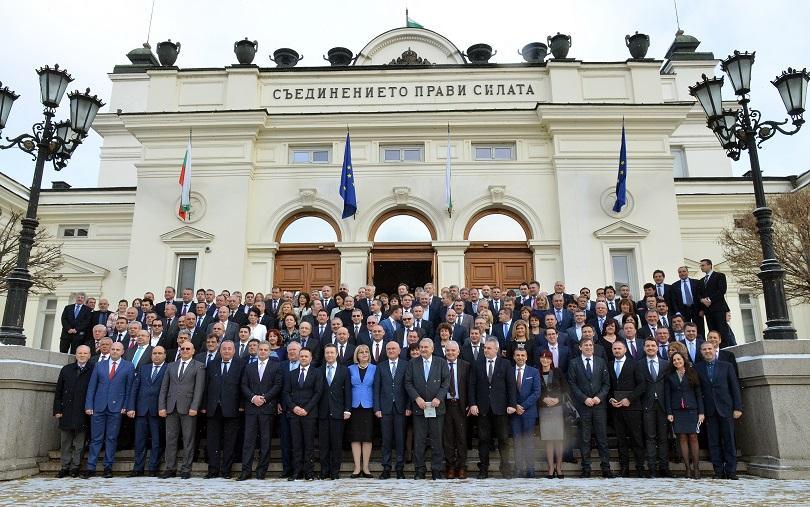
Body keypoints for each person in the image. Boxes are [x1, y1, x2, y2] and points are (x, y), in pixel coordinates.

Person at [82, 342, 134, 478]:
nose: (115, 351)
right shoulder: (99, 365)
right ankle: (91, 467)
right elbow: (92, 387)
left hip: (116, 408)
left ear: (123, 352)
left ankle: (108, 467)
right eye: (113, 349)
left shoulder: (128, 366)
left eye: (118, 350)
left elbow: (129, 389)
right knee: (96, 438)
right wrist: (89, 405)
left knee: (111, 438)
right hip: (98, 406)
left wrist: (126, 405)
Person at [469, 338, 518, 479]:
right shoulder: (477, 364)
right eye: (485, 348)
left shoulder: (505, 363)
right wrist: (472, 404)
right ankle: (483, 469)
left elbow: (511, 386)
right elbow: (472, 386)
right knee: (483, 440)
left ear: (496, 349)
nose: (486, 350)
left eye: (489, 348)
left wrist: (512, 404)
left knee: (503, 439)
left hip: (501, 408)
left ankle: (506, 469)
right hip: (483, 408)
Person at [404, 338, 451, 480]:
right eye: (421, 347)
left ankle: (436, 470)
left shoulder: (441, 362)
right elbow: (408, 382)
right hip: (419, 408)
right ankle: (420, 470)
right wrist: (416, 398)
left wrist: (439, 397)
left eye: (426, 347)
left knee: (437, 440)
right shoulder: (412, 363)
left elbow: (446, 382)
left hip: (437, 408)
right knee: (419, 441)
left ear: (432, 349)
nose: (423, 349)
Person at [158, 341, 206, 479]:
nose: (184, 350)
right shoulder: (171, 366)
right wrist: (162, 406)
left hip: (188, 408)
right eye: (182, 348)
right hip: (171, 407)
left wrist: (194, 406)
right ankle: (170, 468)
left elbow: (199, 389)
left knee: (188, 439)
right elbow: (164, 388)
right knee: (170, 439)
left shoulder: (199, 366)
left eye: (187, 348)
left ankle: (186, 469)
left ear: (193, 351)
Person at [696, 341, 742, 480]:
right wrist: (701, 411)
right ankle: (718, 471)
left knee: (729, 440)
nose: (707, 351)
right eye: (704, 349)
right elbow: (698, 391)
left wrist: (738, 407)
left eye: (709, 348)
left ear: (715, 349)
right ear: (701, 352)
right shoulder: (697, 368)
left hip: (726, 409)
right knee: (713, 442)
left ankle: (731, 470)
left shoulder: (726, 366)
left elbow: (734, 387)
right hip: (709, 411)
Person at [567, 336, 613, 478]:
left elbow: (606, 384)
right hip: (583, 405)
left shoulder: (601, 362)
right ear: (580, 347)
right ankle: (586, 468)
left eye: (590, 345)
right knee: (585, 438)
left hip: (599, 405)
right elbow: (572, 384)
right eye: (585, 345)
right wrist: (584, 398)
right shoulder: (574, 363)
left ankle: (606, 467)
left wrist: (599, 397)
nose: (588, 347)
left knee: (602, 437)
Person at [239, 341, 282, 481]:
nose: (262, 352)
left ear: (269, 351)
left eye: (265, 349)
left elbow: (277, 385)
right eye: (260, 349)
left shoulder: (276, 366)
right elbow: (243, 385)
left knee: (265, 441)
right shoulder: (249, 367)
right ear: (257, 351)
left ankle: (261, 471)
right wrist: (253, 398)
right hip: (251, 408)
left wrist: (264, 398)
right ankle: (246, 471)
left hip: (267, 408)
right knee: (248, 441)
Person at [204, 340, 245, 479]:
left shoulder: (241, 364)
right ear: (220, 351)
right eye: (224, 349)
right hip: (213, 409)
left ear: (234, 351)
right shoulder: (212, 364)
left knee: (230, 441)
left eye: (229, 349)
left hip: (232, 409)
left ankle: (226, 471)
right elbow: (206, 386)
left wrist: (241, 405)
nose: (226, 351)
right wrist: (204, 406)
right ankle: (213, 470)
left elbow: (242, 386)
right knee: (212, 441)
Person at [126, 345, 167, 477]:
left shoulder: (168, 369)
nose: (156, 355)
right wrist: (131, 407)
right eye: (154, 353)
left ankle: (153, 468)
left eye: (160, 353)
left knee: (156, 441)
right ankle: (138, 468)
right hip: (141, 410)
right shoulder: (144, 368)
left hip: (157, 411)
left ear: (165, 355)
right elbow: (135, 389)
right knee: (139, 441)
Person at [53, 345, 94, 478]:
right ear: (75, 355)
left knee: (79, 442)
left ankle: (75, 467)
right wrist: (57, 409)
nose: (82, 355)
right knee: (65, 441)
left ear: (89, 355)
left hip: (83, 411)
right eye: (79, 353)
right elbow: (58, 391)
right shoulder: (67, 369)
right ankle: (64, 466)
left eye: (85, 353)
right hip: (66, 410)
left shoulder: (93, 369)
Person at [608, 341, 646, 477]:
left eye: (619, 348)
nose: (617, 350)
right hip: (616, 408)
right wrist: (611, 398)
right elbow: (609, 385)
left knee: (636, 438)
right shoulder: (610, 364)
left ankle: (640, 467)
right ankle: (624, 468)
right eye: (615, 348)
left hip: (633, 407)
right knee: (621, 439)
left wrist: (629, 399)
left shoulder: (635, 364)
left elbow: (642, 385)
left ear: (625, 349)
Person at [284, 348, 323, 481]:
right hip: (294, 413)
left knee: (309, 444)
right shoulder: (291, 374)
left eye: (306, 356)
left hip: (309, 414)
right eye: (302, 356)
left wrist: (306, 409)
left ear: (311, 358)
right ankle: (297, 471)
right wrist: (294, 408)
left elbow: (318, 393)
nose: (304, 358)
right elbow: (286, 393)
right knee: (296, 443)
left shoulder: (317, 373)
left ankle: (309, 472)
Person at [664, 351, 705, 479]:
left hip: (692, 409)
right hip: (677, 411)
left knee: (693, 437)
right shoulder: (670, 376)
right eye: (674, 360)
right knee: (681, 437)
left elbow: (699, 394)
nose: (677, 361)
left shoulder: (692, 373)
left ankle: (696, 468)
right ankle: (687, 468)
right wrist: (669, 412)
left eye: (679, 359)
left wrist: (701, 412)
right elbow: (667, 395)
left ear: (683, 360)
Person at [374, 341, 410, 480]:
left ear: (399, 350)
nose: (391, 350)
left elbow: (408, 387)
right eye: (388, 348)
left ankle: (400, 468)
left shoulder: (406, 365)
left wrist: (408, 406)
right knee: (386, 439)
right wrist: (377, 408)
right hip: (385, 408)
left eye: (393, 348)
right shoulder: (381, 366)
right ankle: (386, 468)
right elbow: (377, 388)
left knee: (400, 439)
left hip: (401, 408)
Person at [318, 343, 351, 480]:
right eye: (327, 353)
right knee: (324, 444)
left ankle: (335, 472)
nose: (330, 355)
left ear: (337, 354)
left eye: (332, 353)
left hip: (338, 412)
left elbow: (348, 391)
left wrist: (347, 409)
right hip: (323, 412)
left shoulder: (344, 370)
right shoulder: (318, 370)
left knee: (336, 443)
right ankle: (324, 471)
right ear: (324, 355)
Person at [641, 337, 671, 477]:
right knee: (650, 437)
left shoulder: (666, 364)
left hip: (663, 405)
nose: (651, 348)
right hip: (647, 405)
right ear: (644, 348)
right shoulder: (639, 364)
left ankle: (664, 467)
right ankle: (652, 468)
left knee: (663, 437)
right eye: (648, 346)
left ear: (657, 347)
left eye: (653, 345)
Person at [510, 346, 541, 478]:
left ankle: (530, 469)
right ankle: (518, 468)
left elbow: (536, 392)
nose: (520, 358)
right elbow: (507, 390)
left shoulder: (533, 372)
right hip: (514, 412)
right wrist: (515, 406)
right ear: (514, 357)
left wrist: (523, 406)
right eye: (518, 355)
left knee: (528, 441)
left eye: (523, 355)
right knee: (517, 441)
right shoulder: (509, 371)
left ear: (526, 357)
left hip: (528, 412)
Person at [442, 340, 471, 479]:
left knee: (461, 438)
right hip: (445, 405)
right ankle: (450, 467)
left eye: (453, 351)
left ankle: (461, 467)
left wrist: (470, 403)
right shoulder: (440, 365)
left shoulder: (466, 366)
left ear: (458, 352)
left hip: (461, 406)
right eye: (448, 350)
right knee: (448, 438)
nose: (450, 353)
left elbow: (470, 386)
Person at [538, 350, 568, 478]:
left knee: (558, 439)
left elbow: (566, 389)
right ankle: (550, 468)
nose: (545, 360)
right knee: (548, 439)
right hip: (544, 409)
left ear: (551, 360)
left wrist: (557, 400)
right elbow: (535, 390)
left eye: (548, 358)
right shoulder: (536, 373)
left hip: (558, 408)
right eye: (543, 358)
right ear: (540, 359)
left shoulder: (557, 372)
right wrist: (542, 399)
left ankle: (559, 467)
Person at [348, 344, 376, 478]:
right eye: (361, 352)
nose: (364, 354)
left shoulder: (375, 369)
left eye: (366, 352)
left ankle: (365, 467)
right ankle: (357, 467)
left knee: (367, 437)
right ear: (357, 355)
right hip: (354, 407)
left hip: (369, 407)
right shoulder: (350, 369)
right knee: (355, 437)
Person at [698, 259, 733, 347]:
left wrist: (710, 300)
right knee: (712, 330)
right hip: (708, 310)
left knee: (722, 330)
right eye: (701, 265)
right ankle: (714, 349)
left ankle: (725, 348)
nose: (701, 267)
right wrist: (702, 300)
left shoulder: (719, 276)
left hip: (719, 309)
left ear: (710, 265)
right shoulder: (701, 281)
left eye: (703, 265)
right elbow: (699, 294)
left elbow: (722, 290)